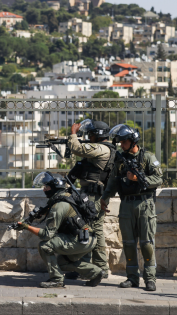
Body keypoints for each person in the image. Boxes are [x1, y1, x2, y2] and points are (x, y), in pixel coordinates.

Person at [100, 124, 162, 292]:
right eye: (120, 142)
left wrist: (138, 179)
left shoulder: (148, 157)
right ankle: (132, 277)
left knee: (147, 243)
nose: (121, 145)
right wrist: (105, 198)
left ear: (132, 141)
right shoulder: (120, 159)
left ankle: (150, 278)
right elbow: (113, 182)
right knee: (128, 243)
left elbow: (158, 179)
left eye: (123, 141)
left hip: (144, 203)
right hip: (126, 204)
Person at [17, 172, 106, 288]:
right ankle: (96, 272)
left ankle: (57, 279)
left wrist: (26, 227)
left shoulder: (58, 205)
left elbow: (47, 235)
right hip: (87, 238)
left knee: (44, 246)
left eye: (46, 187)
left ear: (55, 187)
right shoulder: (68, 196)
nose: (44, 190)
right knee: (62, 263)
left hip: (80, 240)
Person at [64, 119, 116, 281]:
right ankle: (89, 268)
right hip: (89, 195)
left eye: (91, 134)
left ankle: (99, 268)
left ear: (98, 135)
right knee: (87, 230)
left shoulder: (101, 149)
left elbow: (77, 148)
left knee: (92, 230)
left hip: (94, 197)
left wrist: (73, 134)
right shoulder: (102, 148)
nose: (89, 136)